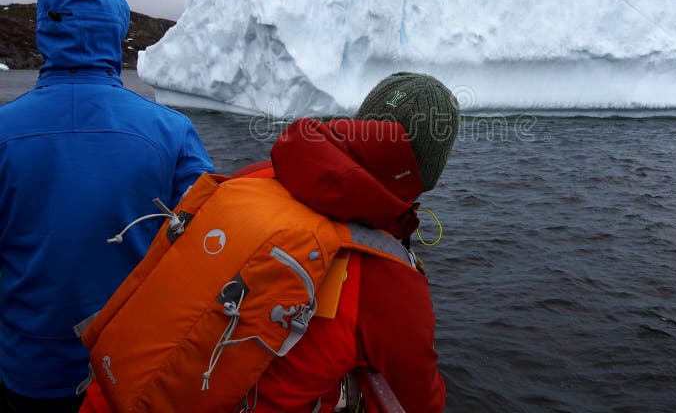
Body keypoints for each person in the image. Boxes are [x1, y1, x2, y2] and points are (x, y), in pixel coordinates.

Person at [80, 71, 459, 413]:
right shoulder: (388, 279)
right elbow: (420, 400)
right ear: (426, 175)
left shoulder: (257, 178)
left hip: (108, 390)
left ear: (356, 126)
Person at [0, 0, 214, 412]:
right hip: (132, 366)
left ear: (44, 31)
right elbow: (208, 242)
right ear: (117, 34)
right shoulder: (171, 130)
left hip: (26, 365)